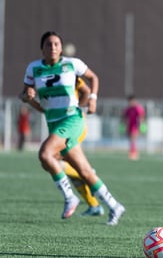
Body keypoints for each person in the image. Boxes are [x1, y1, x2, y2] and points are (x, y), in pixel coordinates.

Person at [20, 31, 125, 225]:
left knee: (45, 154)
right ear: (42, 48)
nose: (53, 47)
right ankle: (114, 205)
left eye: (56, 44)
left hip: (71, 119)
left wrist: (91, 100)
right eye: (49, 44)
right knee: (83, 171)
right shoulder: (33, 68)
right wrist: (28, 98)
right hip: (54, 122)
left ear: (61, 47)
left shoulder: (71, 64)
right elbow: (27, 96)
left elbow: (92, 79)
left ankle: (70, 197)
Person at [21, 76, 105, 217]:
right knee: (56, 164)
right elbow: (41, 106)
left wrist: (79, 109)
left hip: (72, 124)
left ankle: (87, 174)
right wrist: (28, 98)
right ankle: (94, 204)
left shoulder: (68, 72)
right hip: (58, 125)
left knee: (52, 159)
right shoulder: (42, 74)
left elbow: (86, 89)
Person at [123, 95, 145, 160]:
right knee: (131, 140)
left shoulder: (137, 108)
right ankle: (133, 153)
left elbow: (141, 117)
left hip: (135, 126)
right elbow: (126, 117)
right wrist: (126, 126)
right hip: (130, 126)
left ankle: (134, 153)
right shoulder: (128, 109)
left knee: (133, 140)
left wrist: (140, 126)